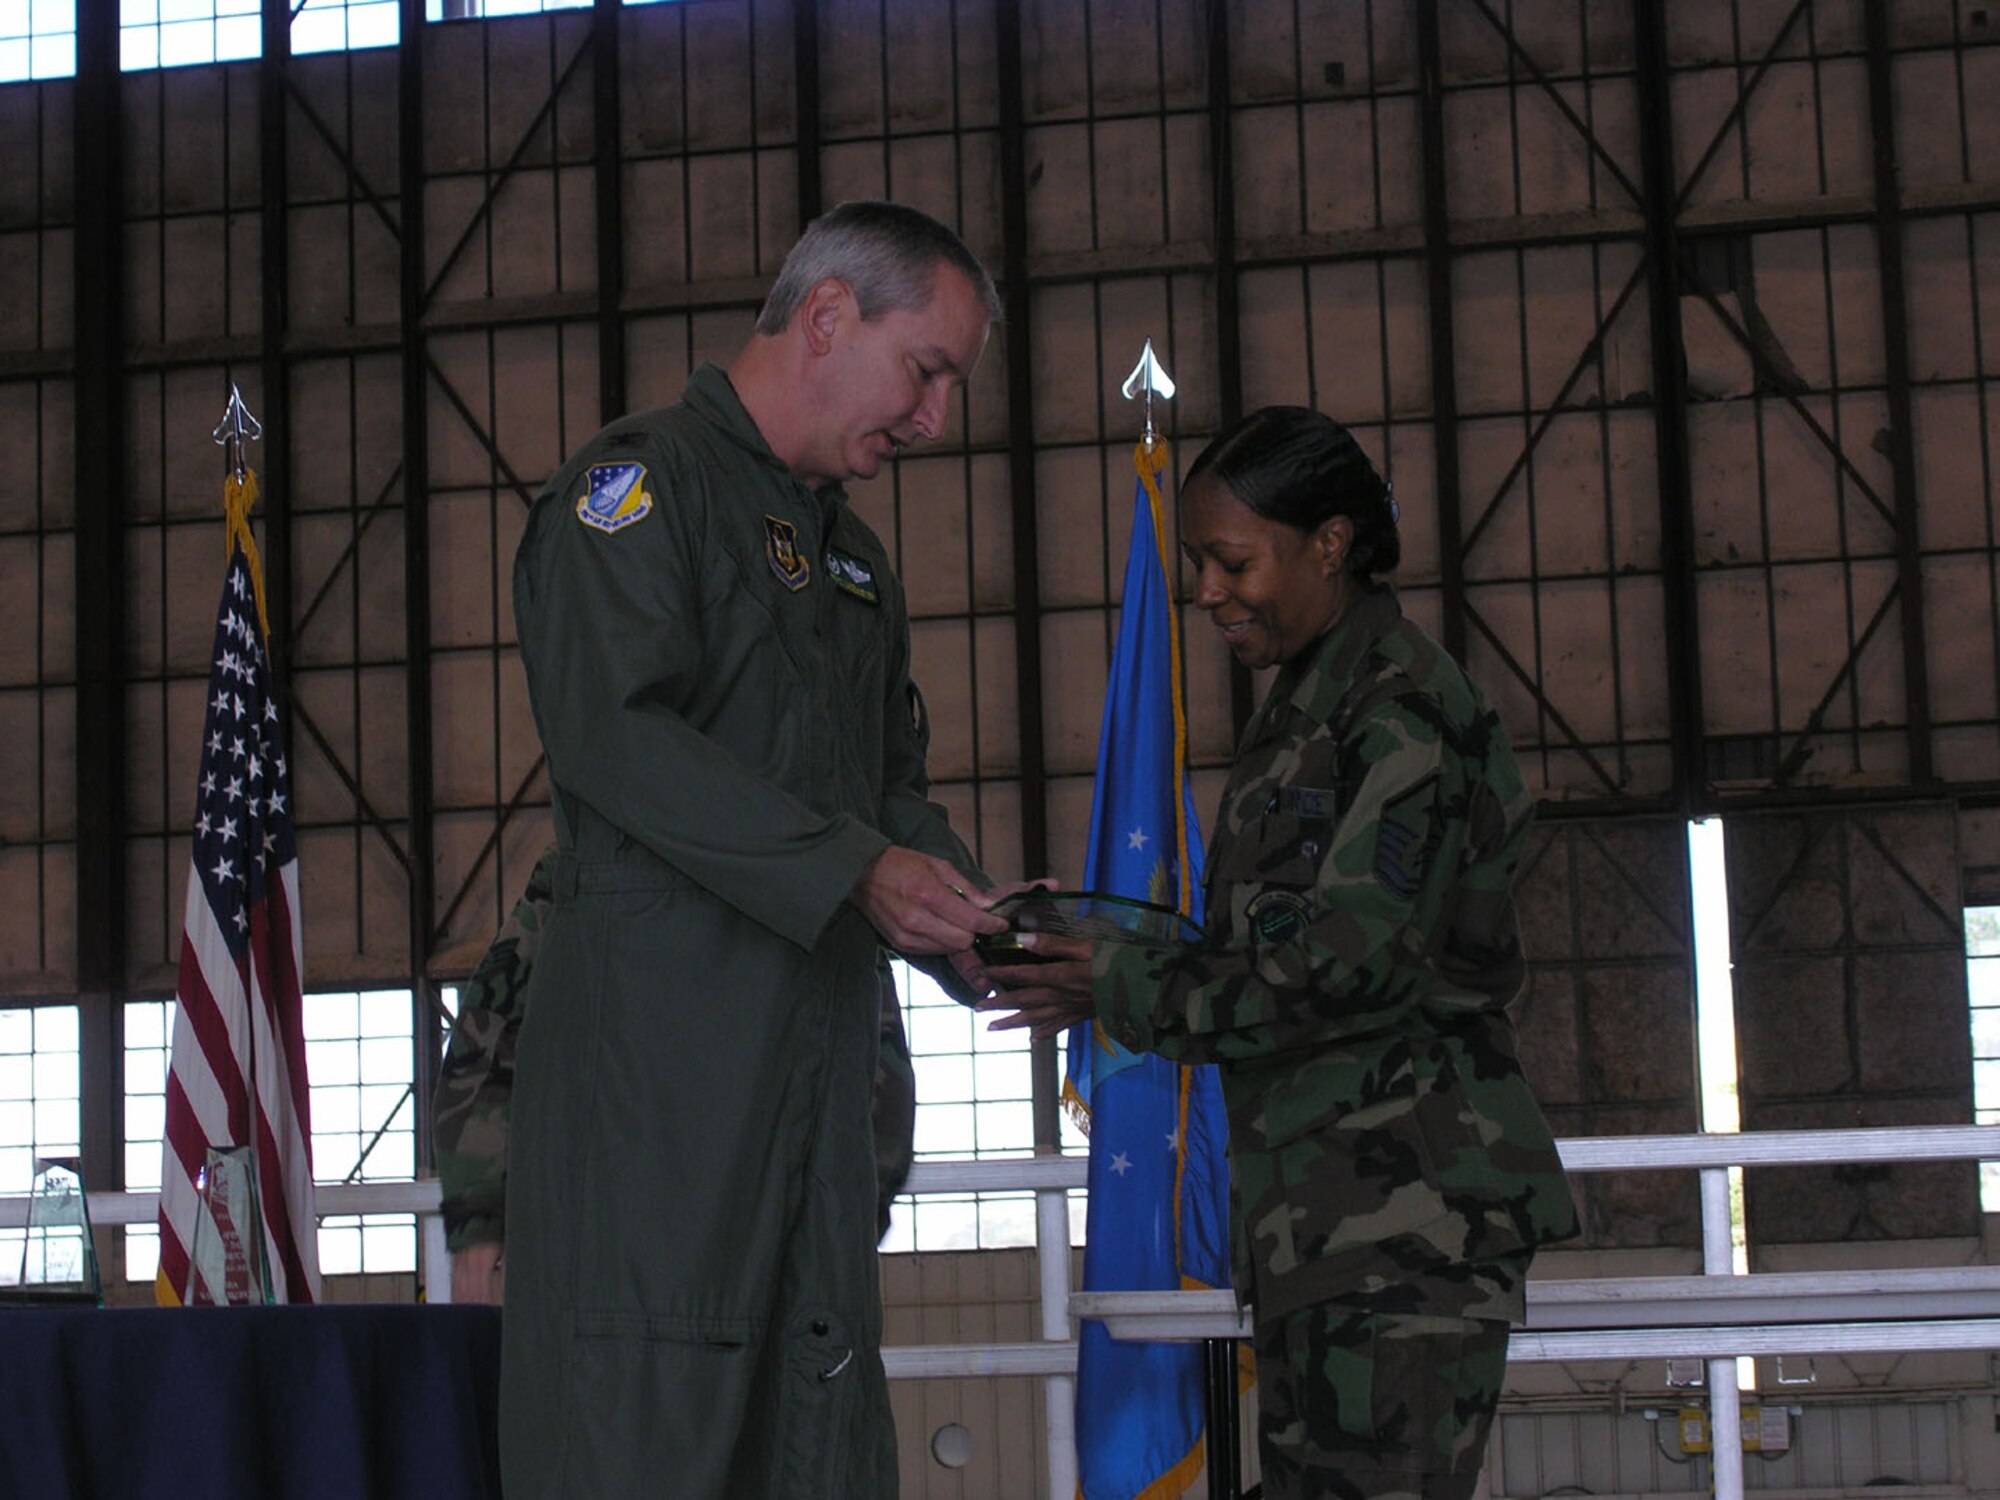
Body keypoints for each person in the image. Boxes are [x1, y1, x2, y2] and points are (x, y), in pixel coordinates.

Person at [503, 200, 1015, 1500]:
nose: (937, 420)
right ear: (831, 315)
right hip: (663, 1123)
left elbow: (889, 794)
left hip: (818, 1117)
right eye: (929, 372)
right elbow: (616, 738)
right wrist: (853, 870)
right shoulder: (634, 493)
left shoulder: (852, 565)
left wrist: (988, 932)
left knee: (820, 1455)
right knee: (645, 1446)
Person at [982, 407, 1579, 1500]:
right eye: (1200, 562)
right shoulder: (1308, 707)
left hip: (1407, 1226)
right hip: (1321, 1226)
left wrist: (1115, 982)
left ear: (1330, 544)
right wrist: (1090, 937)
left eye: (1231, 561)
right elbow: (1254, 945)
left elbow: (1345, 965)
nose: (1206, 589)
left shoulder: (1399, 715)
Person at [431, 847, 920, 1307]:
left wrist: (851, 1217)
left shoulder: (813, 864)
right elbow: (492, 1030)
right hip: (618, 1248)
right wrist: (478, 1216)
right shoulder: (586, 864)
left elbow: (871, 1049)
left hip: (760, 1246)